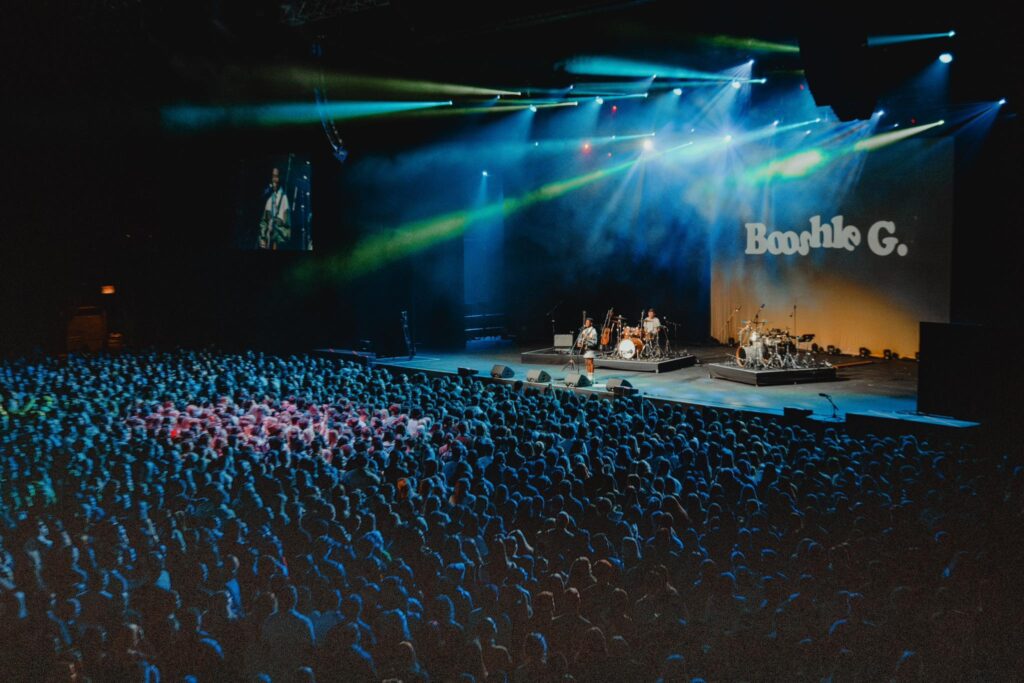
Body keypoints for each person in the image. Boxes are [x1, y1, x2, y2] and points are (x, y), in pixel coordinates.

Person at [258, 167, 291, 249]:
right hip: (267, 243)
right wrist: (262, 238)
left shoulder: (284, 199)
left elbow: (287, 231)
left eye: (276, 176)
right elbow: (263, 222)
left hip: (277, 244)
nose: (274, 179)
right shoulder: (269, 198)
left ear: (280, 178)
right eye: (273, 176)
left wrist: (276, 233)